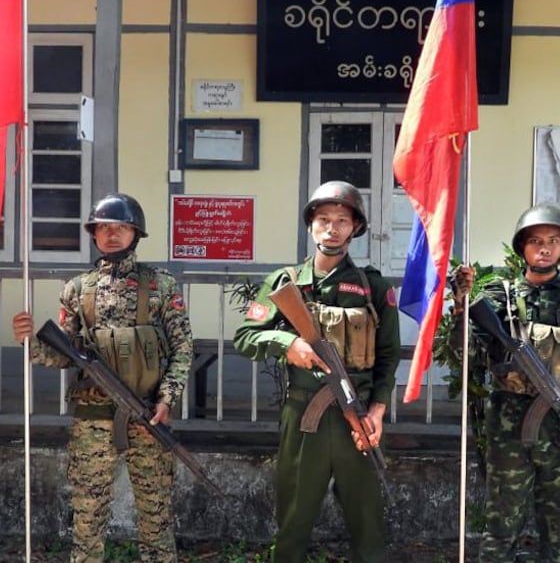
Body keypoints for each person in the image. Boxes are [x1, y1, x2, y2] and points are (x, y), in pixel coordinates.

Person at [11, 193, 193, 563]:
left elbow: (182, 349)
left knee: (156, 516)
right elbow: (63, 355)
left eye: (121, 227)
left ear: (135, 233)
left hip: (146, 416)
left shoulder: (161, 285)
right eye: (104, 228)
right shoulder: (78, 289)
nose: (111, 235)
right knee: (88, 517)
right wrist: (29, 341)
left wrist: (166, 399)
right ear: (94, 234)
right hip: (92, 420)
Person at [233, 180, 400, 563]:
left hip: (356, 418)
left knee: (367, 522)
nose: (332, 228)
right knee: (293, 521)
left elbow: (389, 355)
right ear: (310, 225)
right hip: (304, 417)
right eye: (323, 219)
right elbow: (245, 337)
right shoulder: (284, 282)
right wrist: (287, 344)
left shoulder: (373, 287)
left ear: (355, 228)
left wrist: (377, 411)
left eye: (342, 220)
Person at [451, 204, 560, 563]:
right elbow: (468, 356)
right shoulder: (498, 298)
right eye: (535, 241)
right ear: (522, 247)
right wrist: (461, 308)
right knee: (501, 526)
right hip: (508, 429)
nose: (544, 248)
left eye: (553, 241)